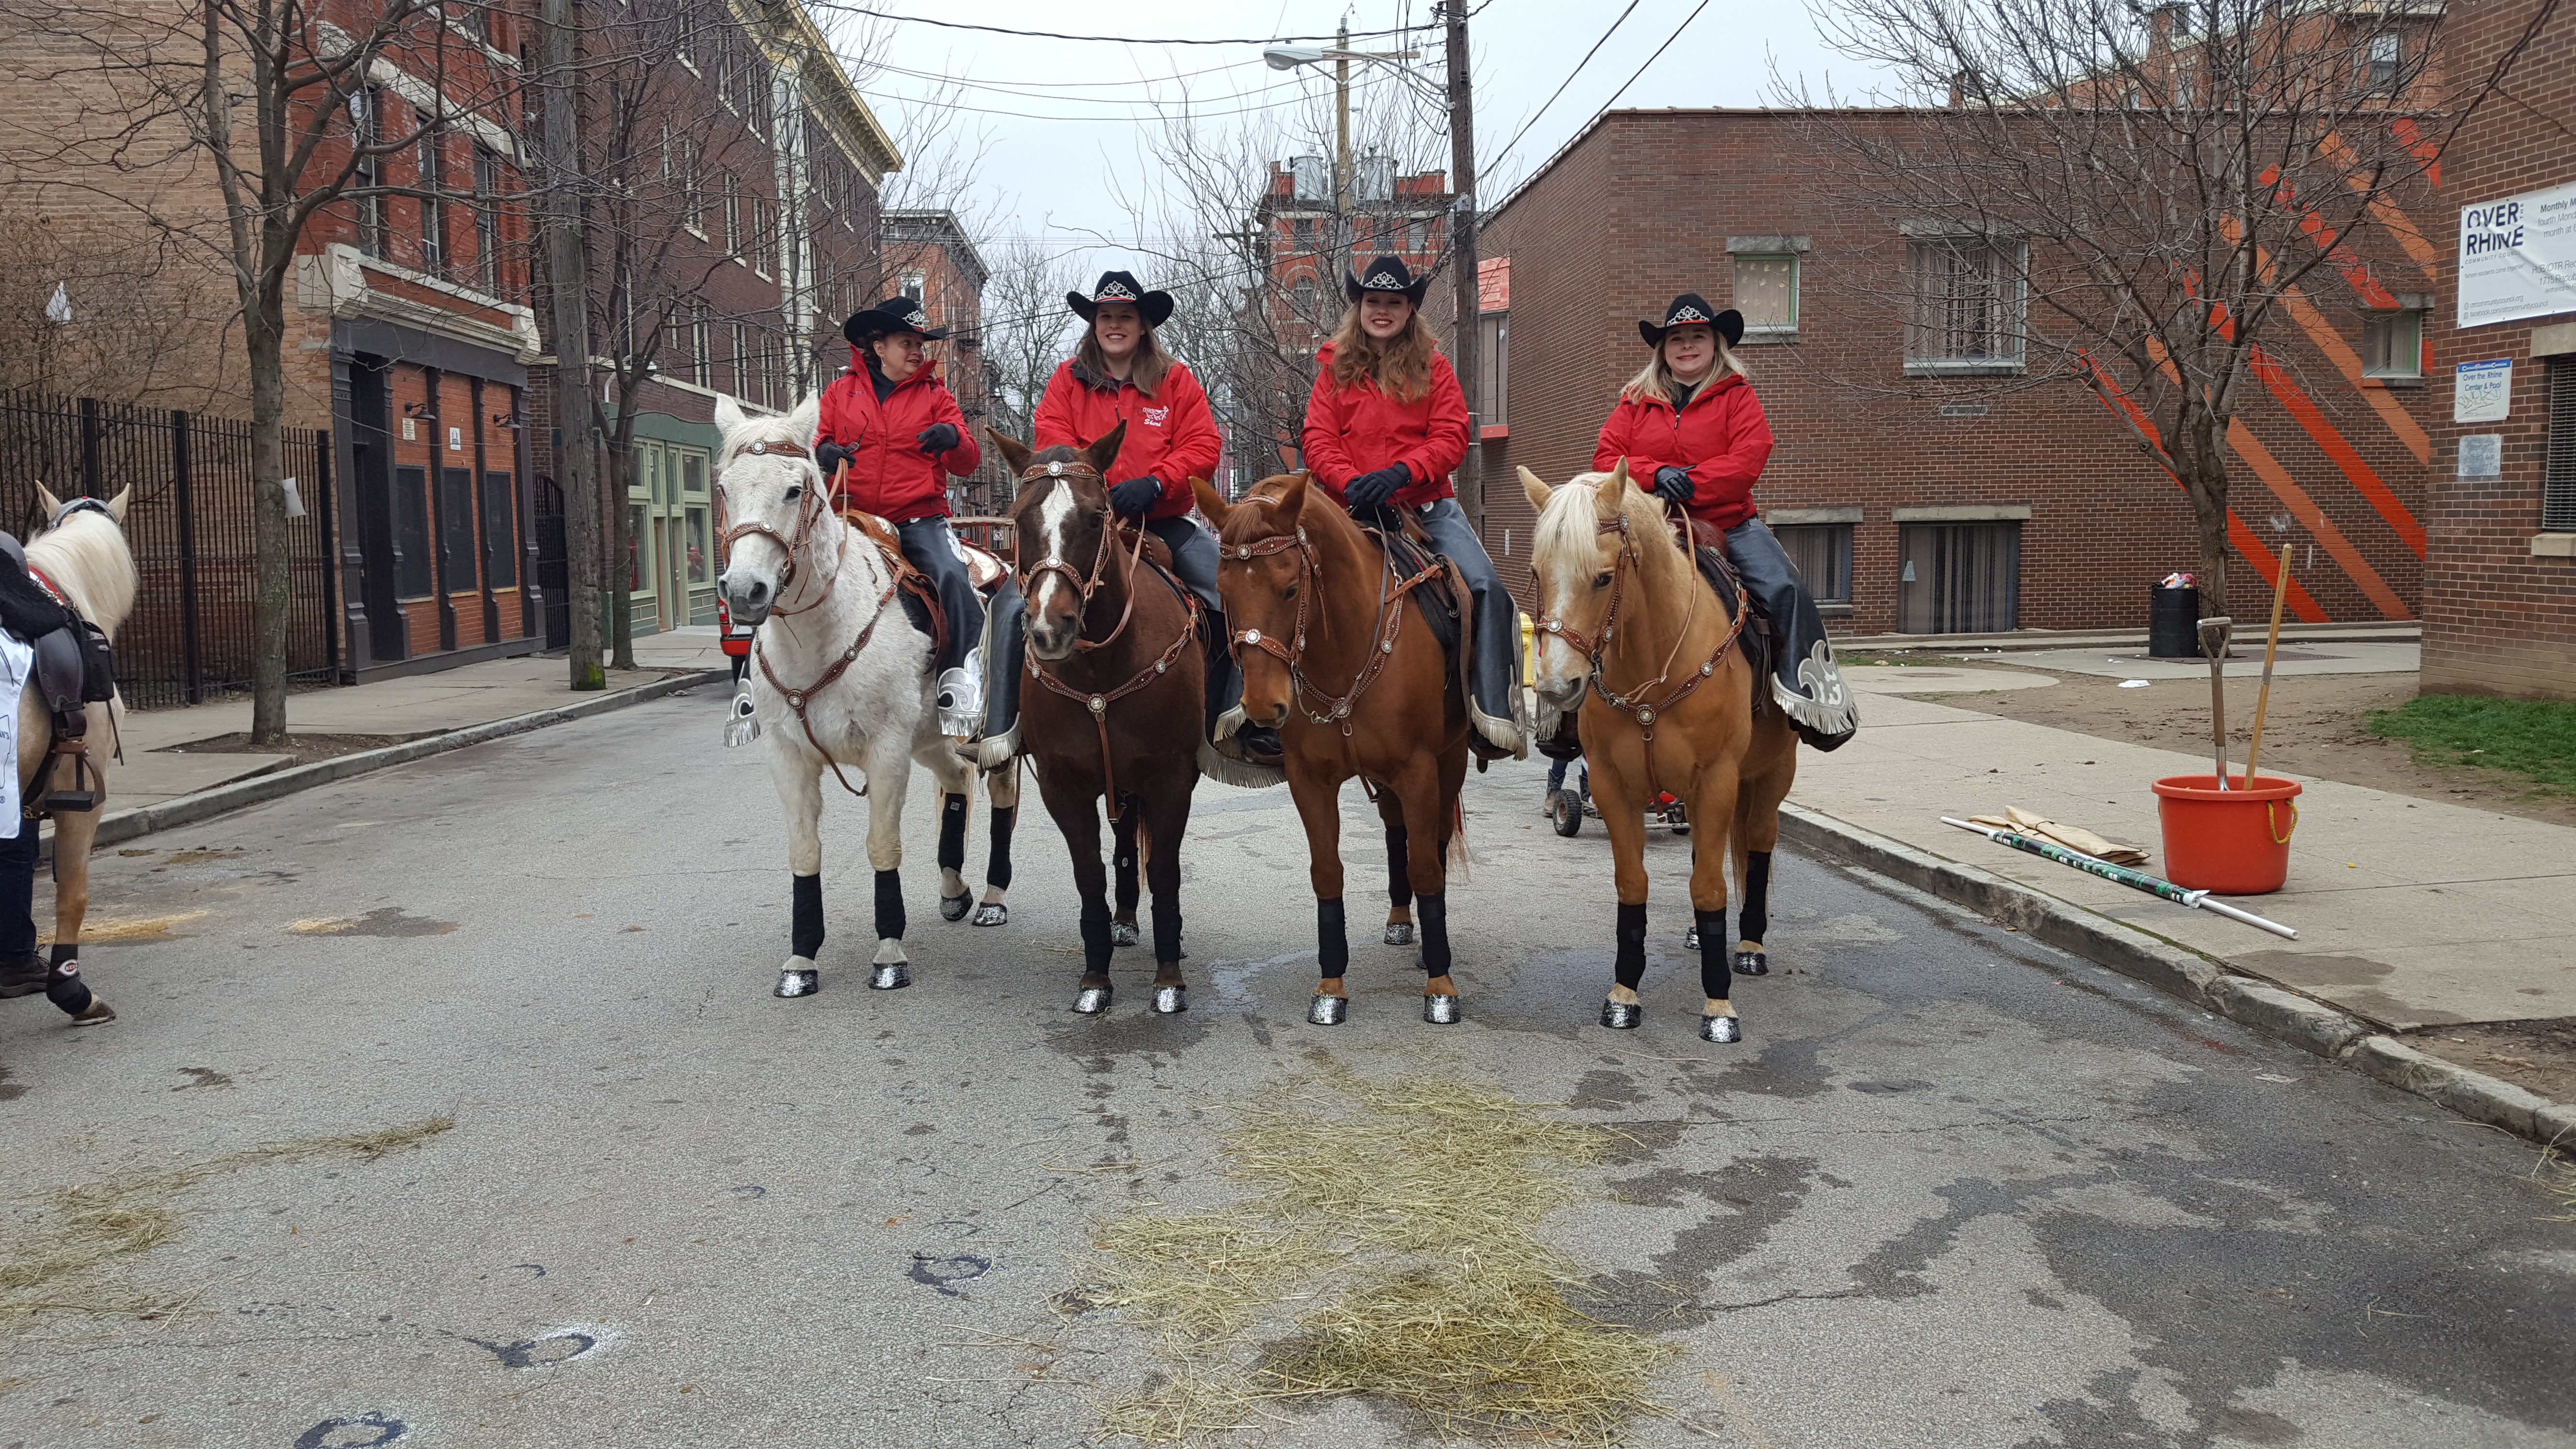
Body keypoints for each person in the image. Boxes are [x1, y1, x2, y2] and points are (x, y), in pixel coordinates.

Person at [1014, 271, 1279, 762]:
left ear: (1142, 326)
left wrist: (1157, 481)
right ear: (1094, 324)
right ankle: (1008, 724)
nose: (1115, 325)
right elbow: (1052, 445)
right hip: (1083, 528)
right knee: (1016, 605)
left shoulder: (1174, 379)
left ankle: (1232, 718)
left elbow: (1204, 446)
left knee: (1231, 592)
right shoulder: (1065, 382)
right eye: (1106, 316)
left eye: (1125, 317)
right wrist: (1102, 491)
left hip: (1163, 521)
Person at [1594, 293, 1857, 749]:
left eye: (1698, 336)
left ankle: (1810, 699)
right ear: (1663, 349)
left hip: (1729, 524)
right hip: (1649, 523)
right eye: (1677, 338)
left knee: (1786, 591)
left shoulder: (1737, 395)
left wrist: (1690, 482)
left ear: (1716, 344)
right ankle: (1568, 714)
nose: (1687, 345)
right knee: (1590, 588)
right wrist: (1656, 475)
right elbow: (1606, 459)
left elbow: (1748, 461)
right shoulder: (1634, 400)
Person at [1301, 256, 1525, 761]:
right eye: (1373, 302)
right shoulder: (1332, 368)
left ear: (1409, 309)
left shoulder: (1434, 366)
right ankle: (1273, 713)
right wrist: (1351, 481)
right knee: (1276, 583)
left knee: (1486, 587)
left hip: (1423, 506)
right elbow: (1316, 438)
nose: (1382, 311)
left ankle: (1491, 714)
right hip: (1347, 507)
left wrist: (1402, 474)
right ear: (1359, 307)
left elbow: (1450, 436)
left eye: (1393, 303)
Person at [815, 297, 986, 736]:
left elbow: (968, 462)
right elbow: (816, 441)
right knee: (790, 568)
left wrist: (953, 436)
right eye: (906, 342)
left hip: (918, 519)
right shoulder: (839, 393)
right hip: (850, 517)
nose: (917, 352)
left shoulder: (936, 396)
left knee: (952, 575)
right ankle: (752, 684)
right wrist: (823, 452)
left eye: (920, 344)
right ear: (878, 347)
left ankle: (961, 676)